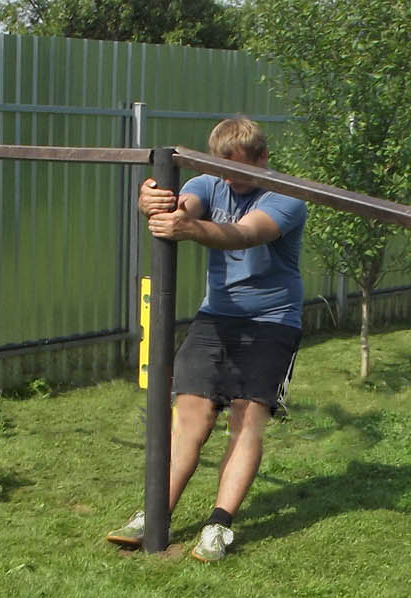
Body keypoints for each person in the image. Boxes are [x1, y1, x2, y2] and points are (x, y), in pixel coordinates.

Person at [106, 117, 306, 562]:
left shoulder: (287, 197)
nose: (230, 181)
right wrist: (153, 202)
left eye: (239, 171)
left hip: (272, 321)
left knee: (245, 418)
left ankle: (218, 525)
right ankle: (153, 515)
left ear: (263, 159)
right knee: (189, 417)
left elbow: (244, 234)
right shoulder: (211, 181)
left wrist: (188, 230)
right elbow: (184, 205)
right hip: (215, 317)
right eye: (222, 170)